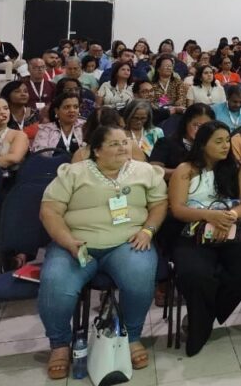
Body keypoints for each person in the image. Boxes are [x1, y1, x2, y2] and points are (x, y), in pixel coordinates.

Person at [38, 125, 167, 378]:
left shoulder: (145, 171)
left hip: (127, 242)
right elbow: (49, 211)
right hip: (76, 244)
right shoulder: (73, 173)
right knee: (55, 282)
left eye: (125, 142)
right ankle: (60, 344)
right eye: (114, 144)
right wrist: (67, 241)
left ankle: (131, 336)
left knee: (140, 276)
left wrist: (148, 231)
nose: (123, 147)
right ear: (96, 150)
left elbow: (160, 204)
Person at [168, 120, 241, 355]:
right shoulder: (185, 170)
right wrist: (209, 216)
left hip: (232, 226)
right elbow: (177, 209)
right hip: (194, 229)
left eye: (227, 141)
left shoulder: (238, 168)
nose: (225, 146)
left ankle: (202, 318)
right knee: (194, 274)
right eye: (218, 141)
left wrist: (229, 217)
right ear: (202, 144)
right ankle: (199, 330)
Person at [150, 103, 217, 179]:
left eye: (205, 127)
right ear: (186, 122)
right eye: (196, 125)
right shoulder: (166, 142)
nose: (200, 130)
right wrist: (186, 172)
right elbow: (154, 170)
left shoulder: (211, 145)